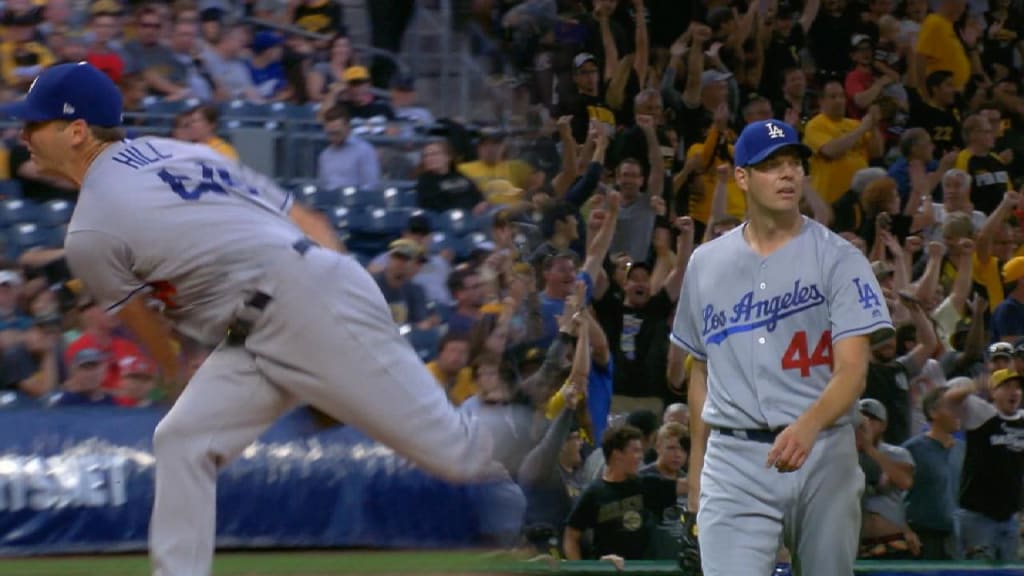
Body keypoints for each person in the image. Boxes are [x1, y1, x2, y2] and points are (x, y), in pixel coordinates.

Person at [0, 62, 503, 576]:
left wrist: (325, 338)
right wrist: (332, 299)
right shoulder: (183, 150)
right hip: (279, 311)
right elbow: (312, 222)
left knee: (457, 454)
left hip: (300, 304)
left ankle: (557, 442)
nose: (23, 135)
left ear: (78, 131)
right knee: (183, 441)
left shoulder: (91, 231)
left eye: (35, 124)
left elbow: (144, 321)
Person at [670, 118, 895, 576]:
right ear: (742, 178)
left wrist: (808, 426)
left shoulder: (839, 258)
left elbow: (853, 371)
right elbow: (700, 371)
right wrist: (696, 474)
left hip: (823, 452)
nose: (789, 174)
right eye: (772, 165)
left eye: (794, 163)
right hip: (734, 457)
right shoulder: (705, 264)